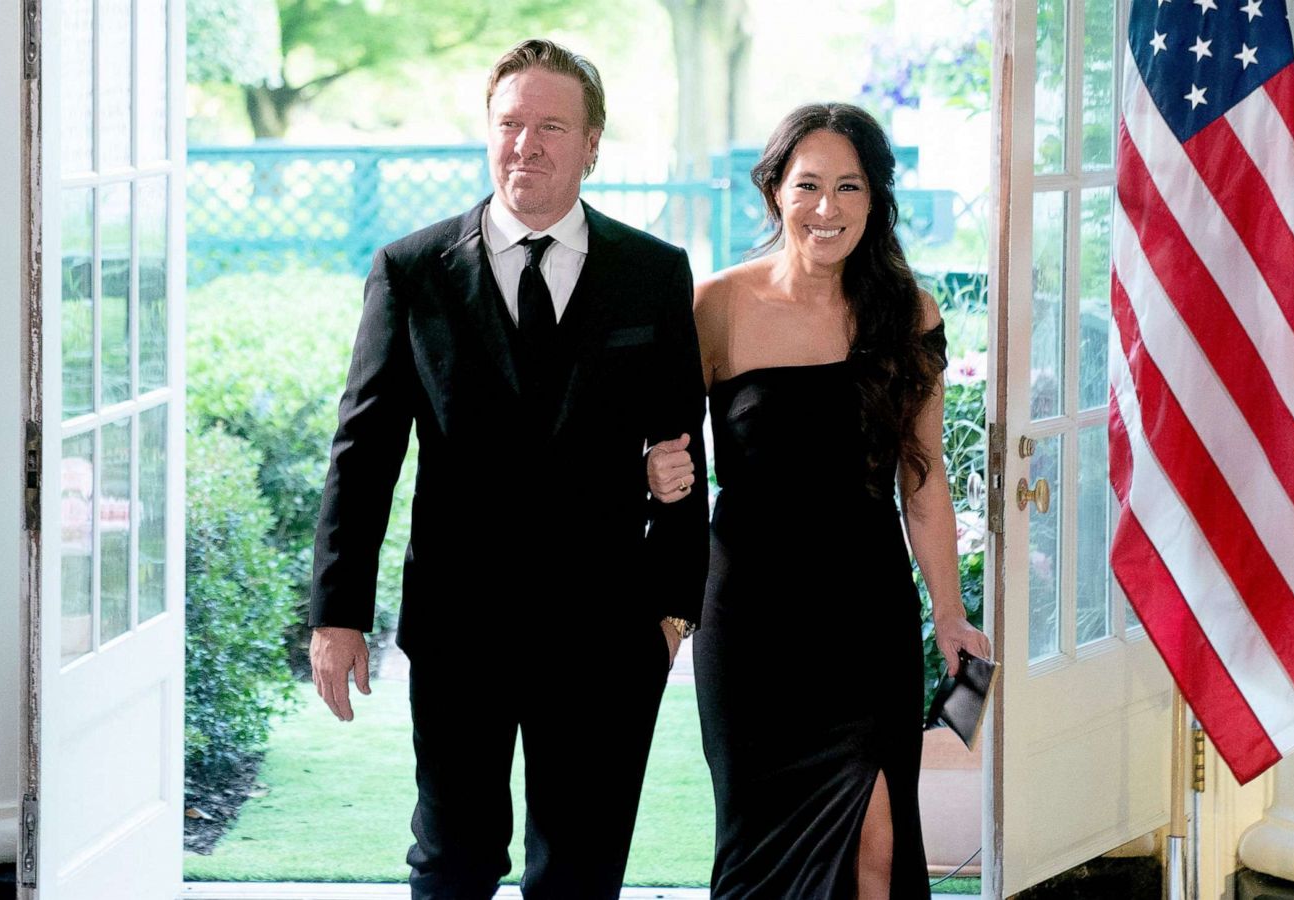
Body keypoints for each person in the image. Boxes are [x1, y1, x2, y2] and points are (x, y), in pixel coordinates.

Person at [308, 38, 710, 900]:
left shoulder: (653, 273)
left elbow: (683, 449)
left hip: (607, 629)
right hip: (460, 624)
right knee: (452, 860)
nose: (525, 145)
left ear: (593, 142)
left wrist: (675, 606)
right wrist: (338, 613)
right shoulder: (411, 272)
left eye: (551, 126)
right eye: (509, 123)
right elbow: (364, 452)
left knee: (580, 871)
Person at [646, 103, 992, 899]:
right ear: (774, 191)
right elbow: (663, 453)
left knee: (878, 840)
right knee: (762, 852)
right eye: (808, 185)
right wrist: (664, 591)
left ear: (876, 200)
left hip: (866, 616)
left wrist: (949, 613)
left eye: (850, 186)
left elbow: (924, 476)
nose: (827, 208)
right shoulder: (717, 305)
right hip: (750, 621)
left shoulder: (909, 313)